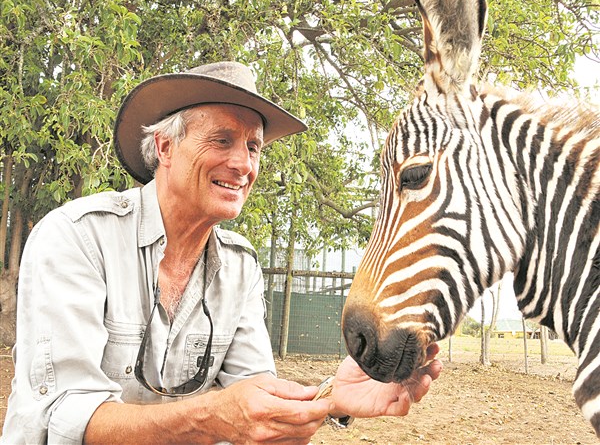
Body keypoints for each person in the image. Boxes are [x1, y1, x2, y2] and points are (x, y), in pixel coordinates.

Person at [1, 61, 442, 444]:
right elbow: (62, 419)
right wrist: (211, 419)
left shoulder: (239, 265)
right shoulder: (76, 237)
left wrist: (330, 397)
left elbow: (254, 408)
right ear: (166, 147)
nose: (244, 164)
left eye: (253, 147)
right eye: (222, 140)